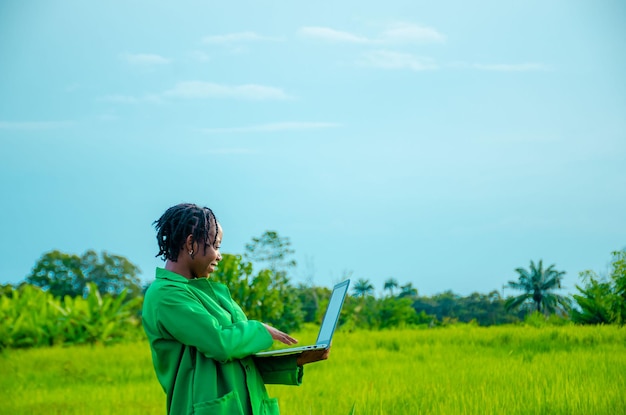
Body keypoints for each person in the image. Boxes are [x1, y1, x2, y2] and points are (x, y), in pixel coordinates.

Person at [142, 203, 329, 415]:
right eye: (216, 245)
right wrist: (260, 329)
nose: (219, 255)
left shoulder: (203, 291)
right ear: (191, 243)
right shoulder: (166, 295)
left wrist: (297, 359)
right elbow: (219, 343)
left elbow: (238, 359)